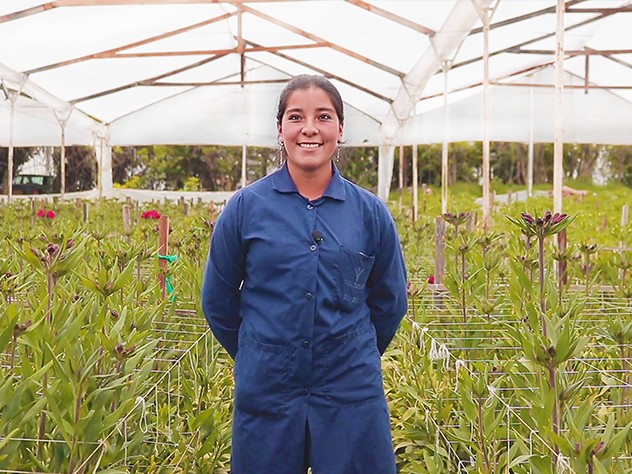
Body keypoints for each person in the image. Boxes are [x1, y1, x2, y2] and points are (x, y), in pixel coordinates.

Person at [201, 74, 407, 474]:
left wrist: (351, 352)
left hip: (350, 391)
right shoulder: (246, 208)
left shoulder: (369, 213)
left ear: (340, 130)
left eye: (323, 116)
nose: (309, 128)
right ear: (280, 129)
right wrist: (257, 353)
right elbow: (218, 300)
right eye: (296, 117)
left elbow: (390, 301)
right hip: (269, 391)